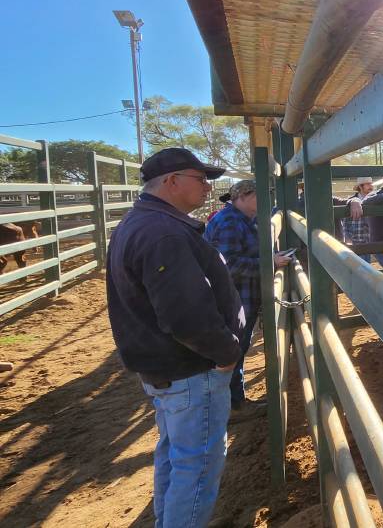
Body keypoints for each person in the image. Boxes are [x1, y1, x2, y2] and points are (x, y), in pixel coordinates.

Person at [106, 148, 243, 528]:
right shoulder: (163, 232)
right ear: (171, 181)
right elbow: (185, 315)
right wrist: (227, 353)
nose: (207, 188)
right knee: (197, 469)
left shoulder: (140, 224)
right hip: (191, 370)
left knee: (175, 456)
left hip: (167, 369)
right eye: (200, 180)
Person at [204, 179, 293, 417]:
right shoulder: (230, 221)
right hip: (231, 299)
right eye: (260, 195)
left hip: (242, 296)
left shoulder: (246, 219)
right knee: (232, 350)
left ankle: (234, 401)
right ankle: (231, 406)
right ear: (241, 197)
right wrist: (270, 262)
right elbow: (228, 265)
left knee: (237, 349)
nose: (266, 200)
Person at [340, 176, 374, 247]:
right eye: (367, 184)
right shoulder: (350, 201)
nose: (371, 186)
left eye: (371, 184)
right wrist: (348, 239)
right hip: (356, 243)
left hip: (371, 243)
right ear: (360, 187)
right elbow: (345, 224)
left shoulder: (375, 199)